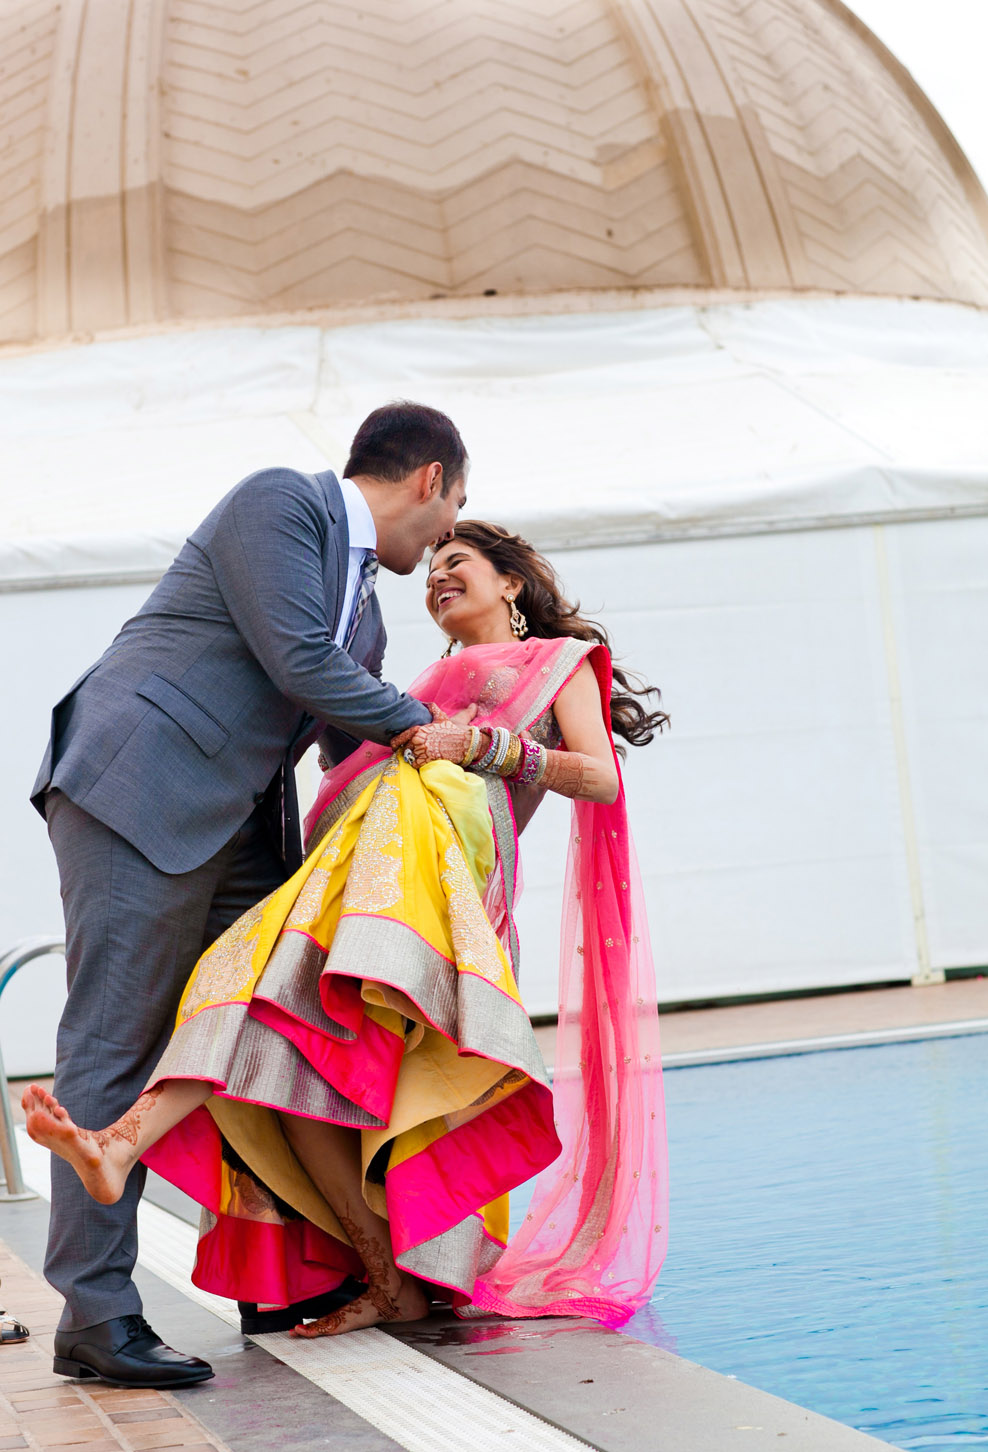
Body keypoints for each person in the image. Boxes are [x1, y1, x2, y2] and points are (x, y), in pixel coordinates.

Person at [26, 522, 669, 1343]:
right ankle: (365, 1271)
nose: (436, 578)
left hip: (437, 908)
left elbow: (601, 778)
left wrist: (480, 744)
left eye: (456, 563)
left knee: (275, 1007)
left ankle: (131, 1148)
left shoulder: (559, 663)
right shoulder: (415, 684)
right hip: (357, 884)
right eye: (429, 571)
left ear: (511, 582)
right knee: (274, 1044)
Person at [29, 402, 469, 1387]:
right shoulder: (282, 504)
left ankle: (282, 1277)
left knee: (279, 1028)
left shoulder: (367, 610)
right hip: (139, 791)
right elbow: (301, 663)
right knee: (118, 1042)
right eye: (456, 507)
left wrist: (494, 730)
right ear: (430, 479)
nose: (451, 533)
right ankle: (95, 1318)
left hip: (238, 831)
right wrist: (428, 725)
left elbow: (349, 736)